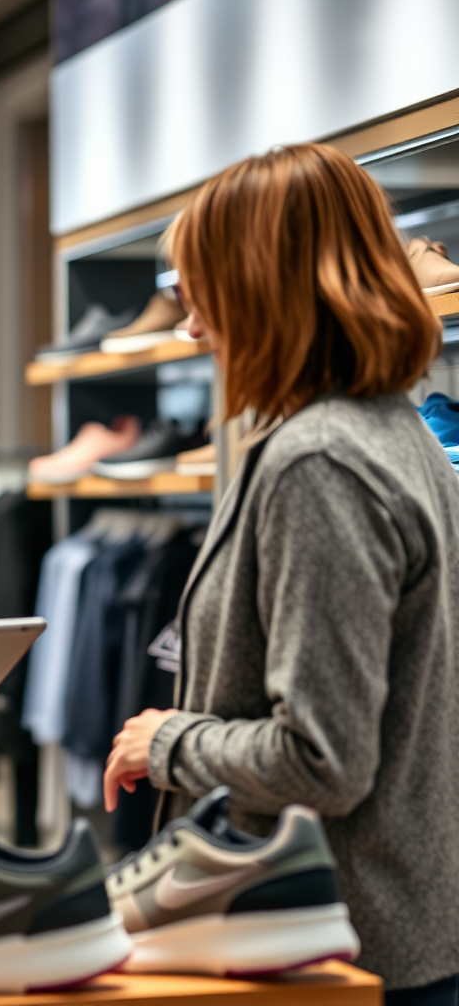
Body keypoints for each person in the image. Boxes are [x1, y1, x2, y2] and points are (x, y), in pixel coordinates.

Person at [103, 144, 459, 1002]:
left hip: (339, 944)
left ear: (265, 288)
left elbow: (322, 759)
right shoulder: (398, 434)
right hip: (399, 920)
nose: (190, 329)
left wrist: (170, 741)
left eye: (202, 295)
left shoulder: (319, 461)